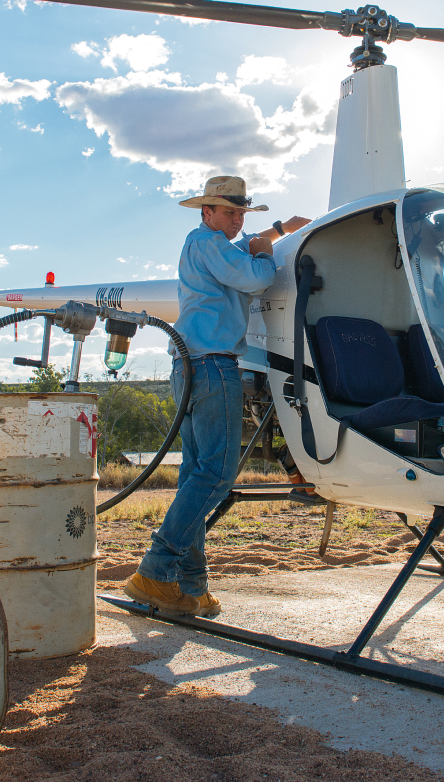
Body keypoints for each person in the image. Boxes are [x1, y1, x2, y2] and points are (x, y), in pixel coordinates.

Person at [125, 176, 309, 617]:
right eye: (229, 212)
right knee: (218, 474)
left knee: (195, 475)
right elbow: (254, 276)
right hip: (212, 366)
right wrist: (268, 253)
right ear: (206, 212)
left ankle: (189, 588)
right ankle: (155, 569)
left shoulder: (209, 245)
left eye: (242, 213)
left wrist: (277, 230)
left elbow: (241, 247)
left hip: (189, 368)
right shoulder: (209, 243)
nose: (238, 219)